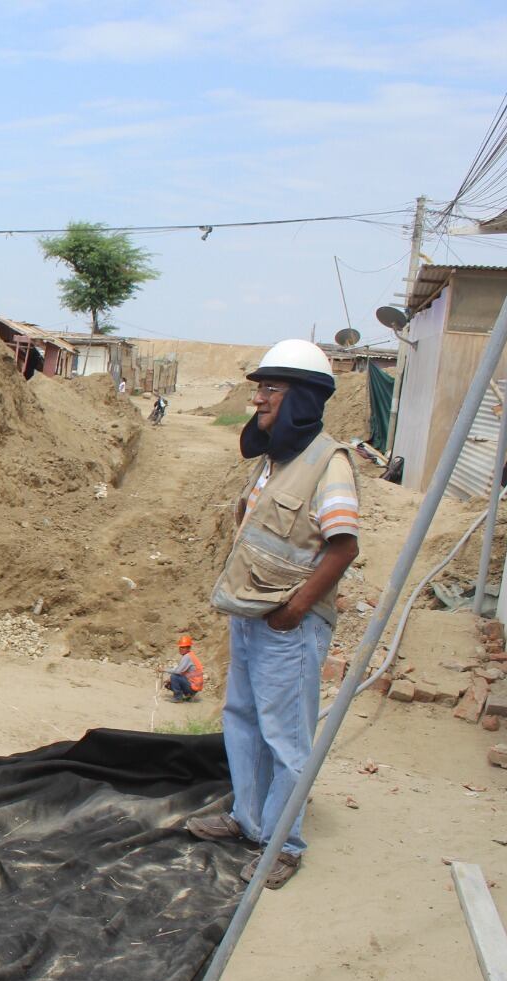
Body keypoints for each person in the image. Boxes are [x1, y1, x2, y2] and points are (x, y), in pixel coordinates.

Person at [186, 340, 361, 890]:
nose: (258, 399)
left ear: (302, 398)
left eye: (270, 390)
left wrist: (297, 609)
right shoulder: (276, 458)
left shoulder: (328, 464)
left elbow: (343, 545)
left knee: (286, 736)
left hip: (290, 624)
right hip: (253, 615)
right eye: (259, 388)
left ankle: (284, 843)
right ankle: (247, 818)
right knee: (243, 717)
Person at [166, 635, 204, 701]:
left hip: (193, 687)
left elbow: (178, 672)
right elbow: (183, 672)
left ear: (188, 648)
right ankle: (188, 695)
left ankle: (178, 698)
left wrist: (164, 670)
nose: (181, 649)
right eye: (180, 647)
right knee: (171, 681)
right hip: (194, 686)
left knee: (174, 676)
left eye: (183, 647)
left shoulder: (187, 656)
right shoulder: (190, 655)